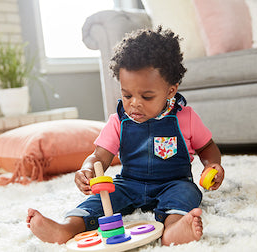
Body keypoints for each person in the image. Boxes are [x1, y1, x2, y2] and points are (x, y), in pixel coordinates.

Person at [26, 26, 225, 246]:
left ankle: (174, 228)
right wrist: (87, 168)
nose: (134, 103)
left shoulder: (185, 117)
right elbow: (99, 156)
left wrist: (212, 165)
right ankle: (68, 227)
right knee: (101, 199)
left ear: (170, 91)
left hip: (173, 182)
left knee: (186, 193)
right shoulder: (118, 121)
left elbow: (207, 147)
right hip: (129, 183)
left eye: (147, 96)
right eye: (127, 95)